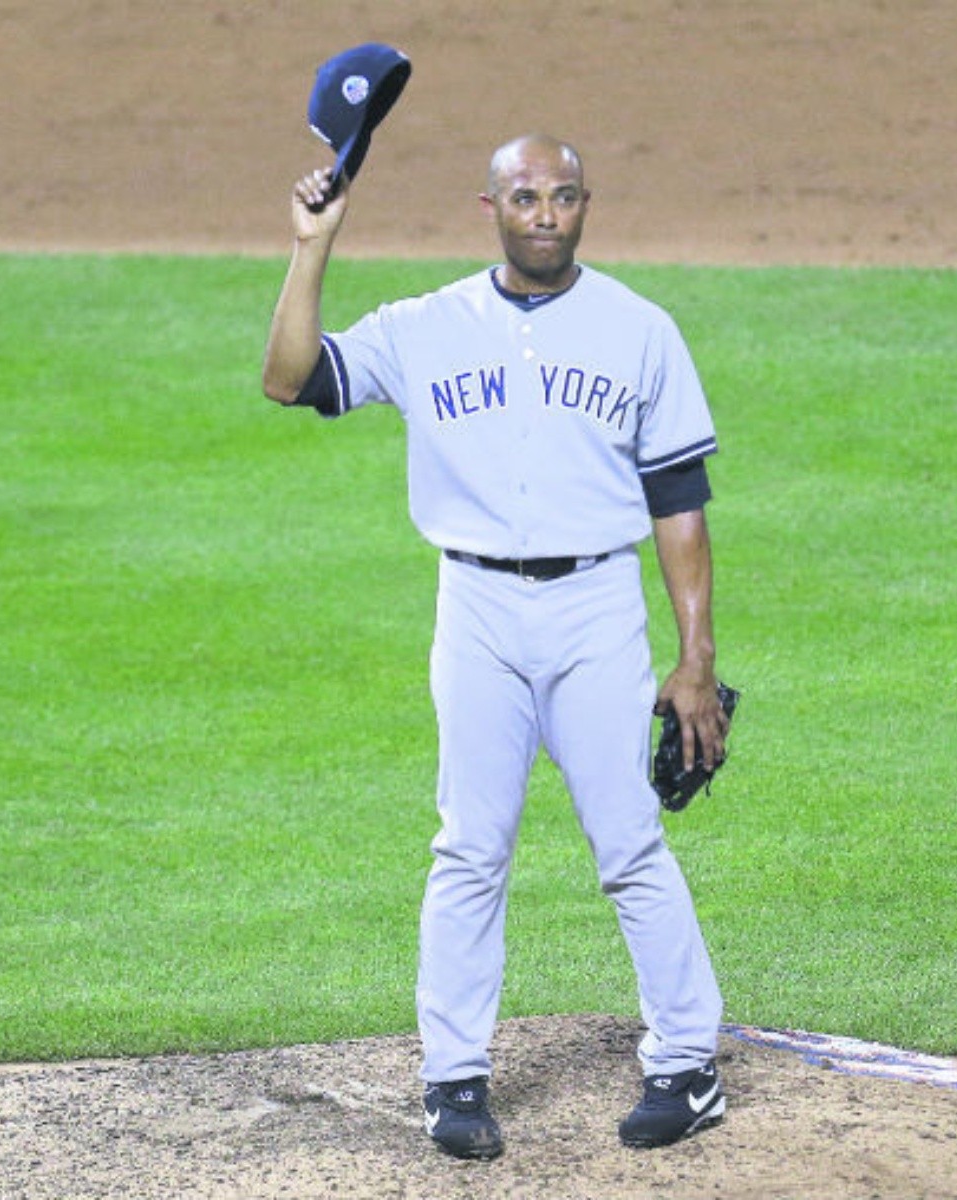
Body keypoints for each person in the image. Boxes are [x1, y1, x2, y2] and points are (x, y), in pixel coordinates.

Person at [262, 134, 730, 1159]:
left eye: (564, 197)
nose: (547, 214)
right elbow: (291, 379)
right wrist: (313, 245)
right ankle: (454, 1078)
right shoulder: (427, 326)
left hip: (598, 607)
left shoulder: (640, 331)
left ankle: (689, 1064)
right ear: (492, 208)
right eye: (527, 197)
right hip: (473, 610)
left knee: (629, 843)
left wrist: (694, 660)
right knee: (469, 845)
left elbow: (680, 504)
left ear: (584, 205)